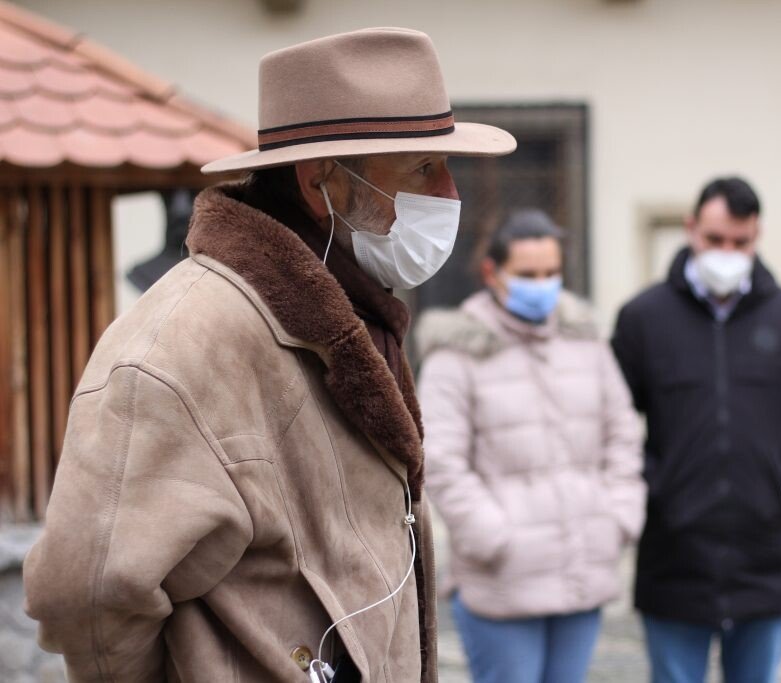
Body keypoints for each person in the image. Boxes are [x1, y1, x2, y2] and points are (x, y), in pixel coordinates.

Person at [23, 28, 515, 683]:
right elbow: (84, 594)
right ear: (321, 183)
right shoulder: (181, 342)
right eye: (423, 167)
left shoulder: (353, 307)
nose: (450, 193)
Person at [611, 177, 781, 683]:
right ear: (691, 228)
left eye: (740, 242)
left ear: (756, 236)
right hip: (673, 556)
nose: (727, 253)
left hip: (762, 556)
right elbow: (608, 420)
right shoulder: (643, 318)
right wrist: (653, 484)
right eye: (715, 239)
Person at [416, 209, 646, 683]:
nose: (541, 285)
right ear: (492, 273)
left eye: (550, 273)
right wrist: (493, 537)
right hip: (503, 579)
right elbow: (440, 461)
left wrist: (619, 516)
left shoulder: (586, 343)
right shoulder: (457, 353)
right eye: (527, 274)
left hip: (582, 566)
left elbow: (623, 434)